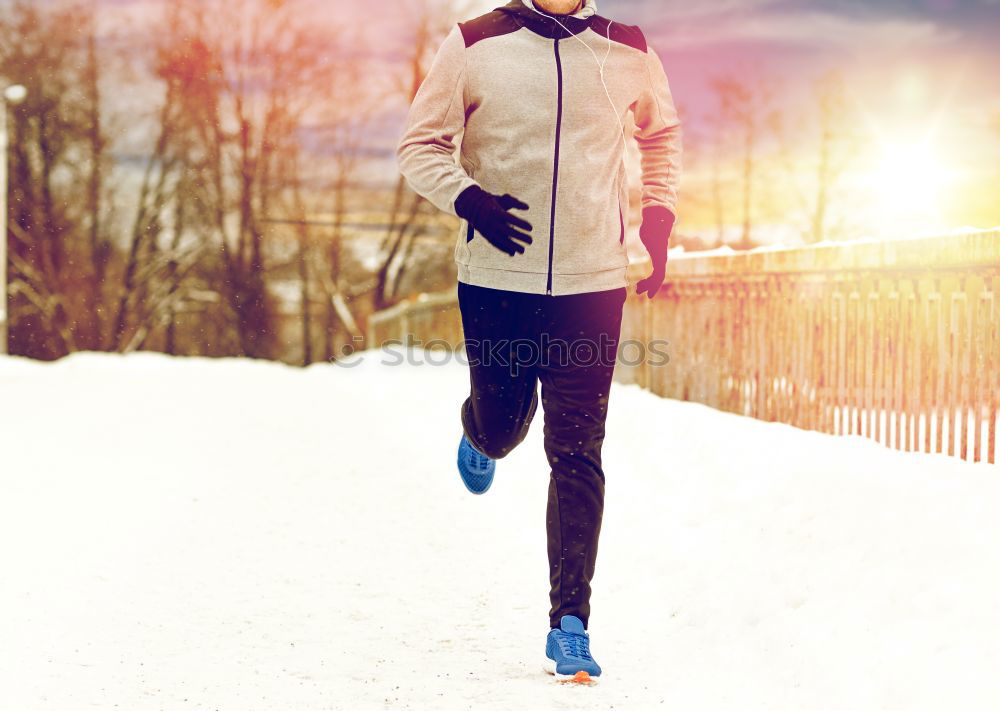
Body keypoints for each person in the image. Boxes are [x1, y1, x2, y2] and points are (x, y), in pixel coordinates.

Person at [396, 0, 681, 682]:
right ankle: (481, 432)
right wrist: (471, 201)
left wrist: (658, 217)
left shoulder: (627, 47)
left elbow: (661, 137)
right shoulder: (474, 41)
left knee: (578, 449)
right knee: (502, 427)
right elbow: (419, 146)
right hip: (498, 279)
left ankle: (570, 623)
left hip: (594, 283)